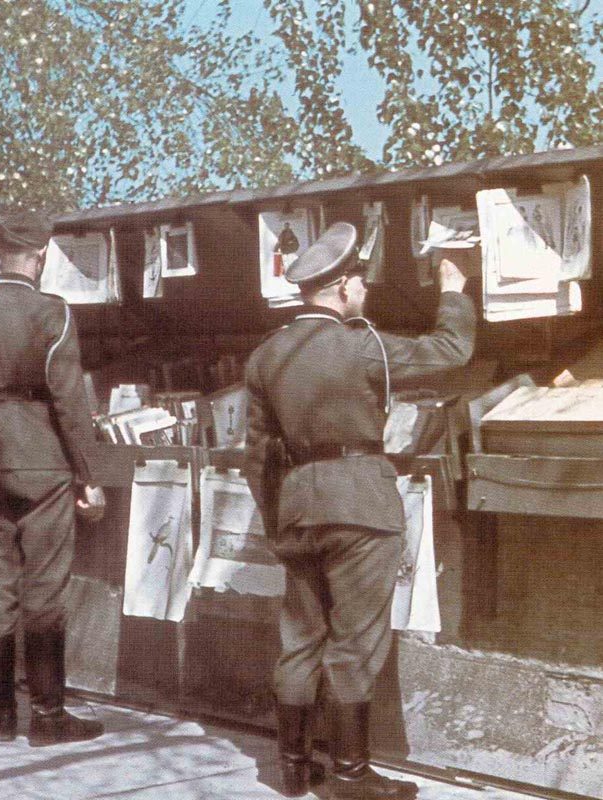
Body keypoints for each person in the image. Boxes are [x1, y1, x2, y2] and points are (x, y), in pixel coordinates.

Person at [243, 222, 475, 799]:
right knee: (354, 643)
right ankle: (350, 777)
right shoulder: (363, 345)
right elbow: (450, 352)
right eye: (361, 285)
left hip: (295, 510)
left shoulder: (265, 356)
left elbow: (256, 455)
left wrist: (277, 521)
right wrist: (453, 291)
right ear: (343, 287)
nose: (365, 295)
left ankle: (294, 769)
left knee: (300, 640)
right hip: (361, 508)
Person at [0, 210, 107, 747]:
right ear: (40, 258)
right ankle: (49, 719)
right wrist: (88, 475)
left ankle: (3, 718)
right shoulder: (52, 313)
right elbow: (71, 403)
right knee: (45, 591)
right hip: (44, 465)